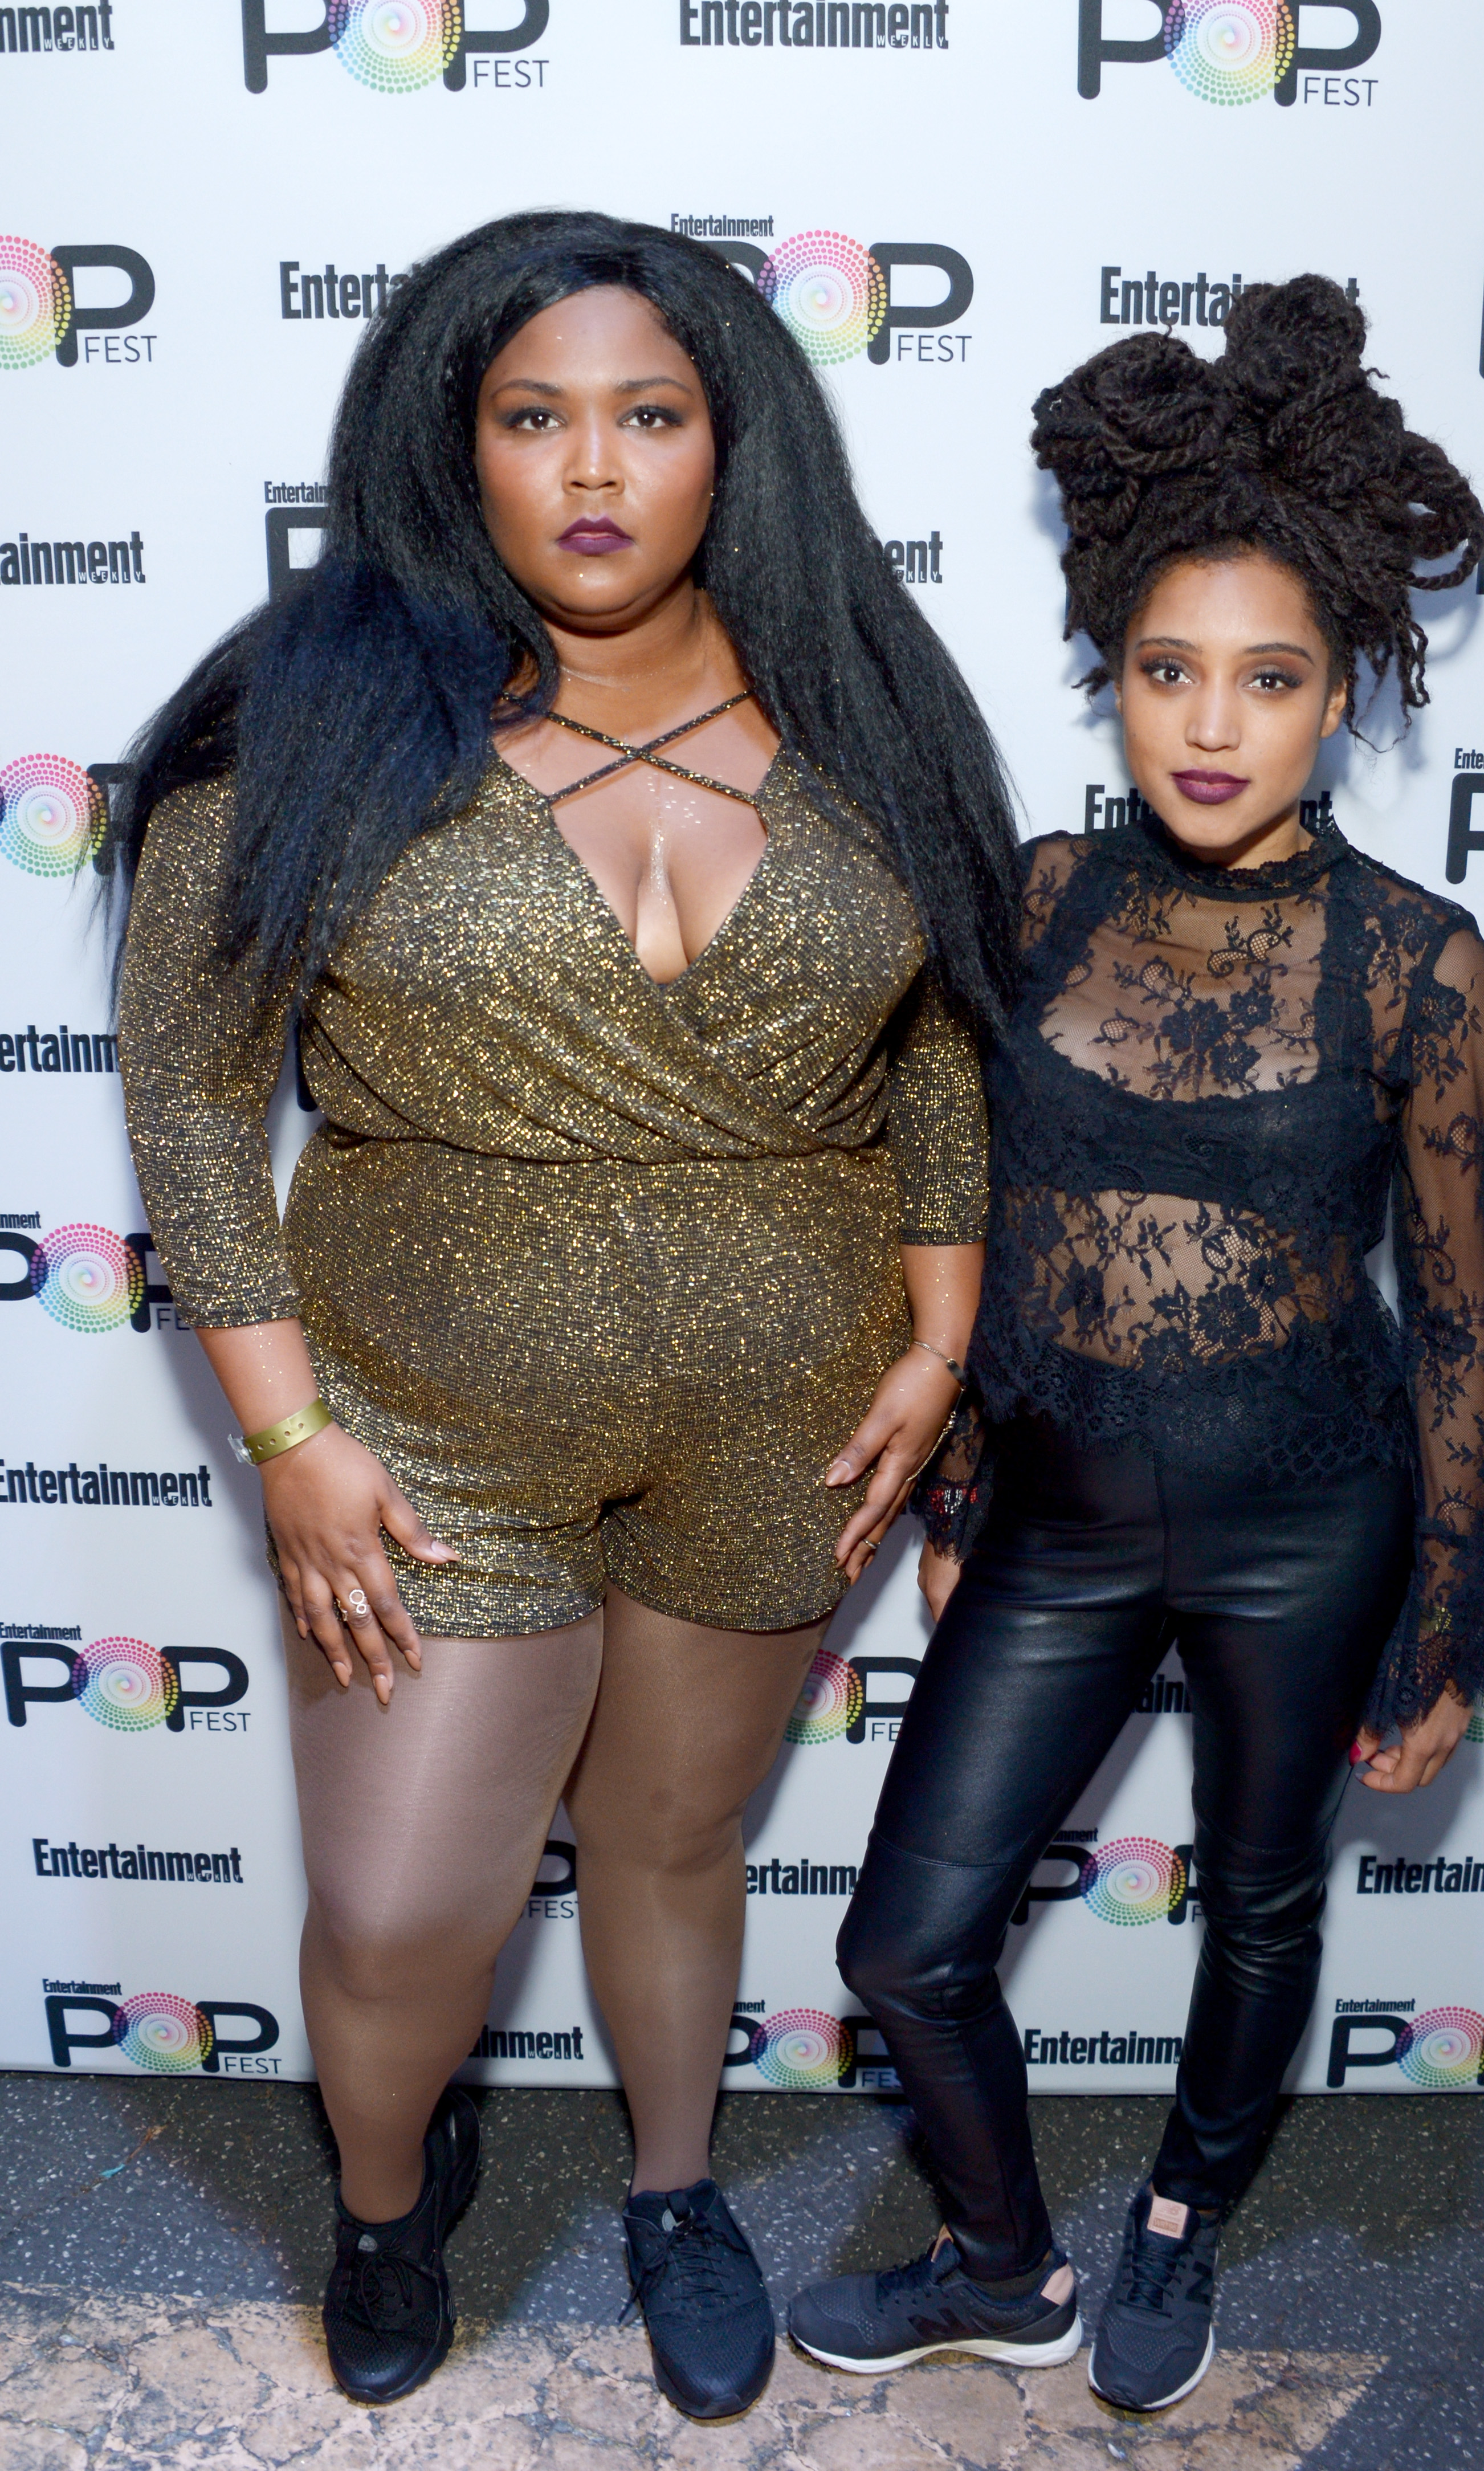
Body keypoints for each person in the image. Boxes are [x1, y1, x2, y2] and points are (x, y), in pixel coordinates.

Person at [113, 210, 1018, 2420]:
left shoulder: (857, 700)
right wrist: (289, 1437)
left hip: (785, 1411)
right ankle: (387, 2188)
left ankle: (674, 2180)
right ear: (457, 443)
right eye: (535, 418)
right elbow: (192, 1088)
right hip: (418, 1415)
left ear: (735, 442)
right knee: (409, 1904)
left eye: (647, 414)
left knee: (673, 1835)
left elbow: (933, 1050)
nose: (591, 469)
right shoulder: (320, 711)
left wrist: (937, 1343)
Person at [789, 275, 1484, 2414]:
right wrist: (961, 1487)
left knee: (1266, 1907)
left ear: (1343, 692)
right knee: (900, 1946)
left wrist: (1445, 1622)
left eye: (1270, 680)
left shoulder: (1422, 962)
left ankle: (1181, 2219)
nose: (1212, 723)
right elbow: (985, 1232)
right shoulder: (1029, 902)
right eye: (1170, 670)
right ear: (1112, 673)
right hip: (1065, 1512)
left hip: (1317, 1520)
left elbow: (1460, 1321)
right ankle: (1005, 2259)